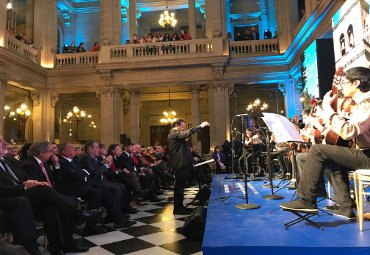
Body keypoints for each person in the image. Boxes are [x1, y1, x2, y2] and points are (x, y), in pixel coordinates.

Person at [280, 67, 370, 219]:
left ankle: (306, 200)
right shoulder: (361, 104)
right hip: (363, 153)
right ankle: (345, 206)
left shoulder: (367, 103)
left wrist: (327, 109)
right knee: (331, 157)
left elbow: (348, 131)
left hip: (367, 155)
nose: (342, 86)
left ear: (356, 83)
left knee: (318, 150)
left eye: (345, 82)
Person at [167, 119, 210, 215]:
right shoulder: (173, 133)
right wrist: (200, 126)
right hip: (180, 164)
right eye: (182, 126)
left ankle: (180, 207)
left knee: (181, 187)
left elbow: (184, 148)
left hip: (184, 164)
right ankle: (178, 209)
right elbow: (186, 134)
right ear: (177, 126)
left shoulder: (177, 135)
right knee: (179, 187)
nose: (183, 129)